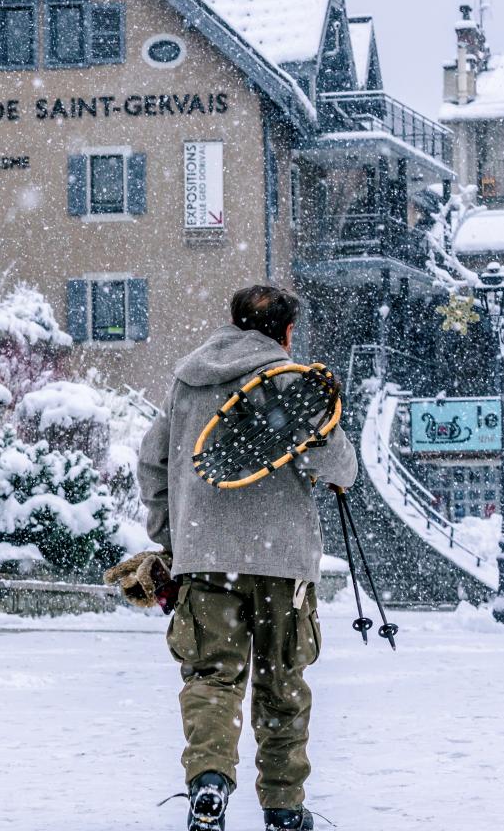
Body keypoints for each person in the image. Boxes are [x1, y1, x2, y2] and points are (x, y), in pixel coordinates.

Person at [136, 285, 358, 831]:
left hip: (205, 559)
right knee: (282, 685)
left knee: (212, 677)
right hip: (282, 563)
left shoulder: (187, 383)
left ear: (234, 323)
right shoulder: (292, 383)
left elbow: (152, 461)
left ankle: (209, 781)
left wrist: (173, 540)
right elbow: (339, 469)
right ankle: (283, 807)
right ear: (285, 333)